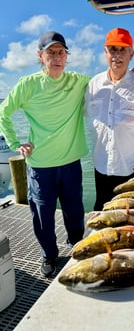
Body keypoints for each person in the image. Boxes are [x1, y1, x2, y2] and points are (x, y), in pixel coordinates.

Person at [0, 31, 91, 277]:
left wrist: (133, 75)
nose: (57, 57)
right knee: (43, 216)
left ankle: (76, 247)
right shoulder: (28, 84)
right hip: (40, 165)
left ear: (67, 56)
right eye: (51, 52)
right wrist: (16, 142)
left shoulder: (78, 81)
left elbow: (107, 83)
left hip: (71, 162)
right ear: (41, 56)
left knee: (75, 211)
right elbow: (3, 113)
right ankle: (48, 255)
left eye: (61, 52)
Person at [85, 27, 134, 211]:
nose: (117, 55)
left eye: (123, 50)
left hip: (129, 167)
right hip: (101, 165)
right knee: (102, 212)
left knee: (129, 215)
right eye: (112, 49)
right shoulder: (93, 84)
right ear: (105, 52)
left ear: (132, 54)